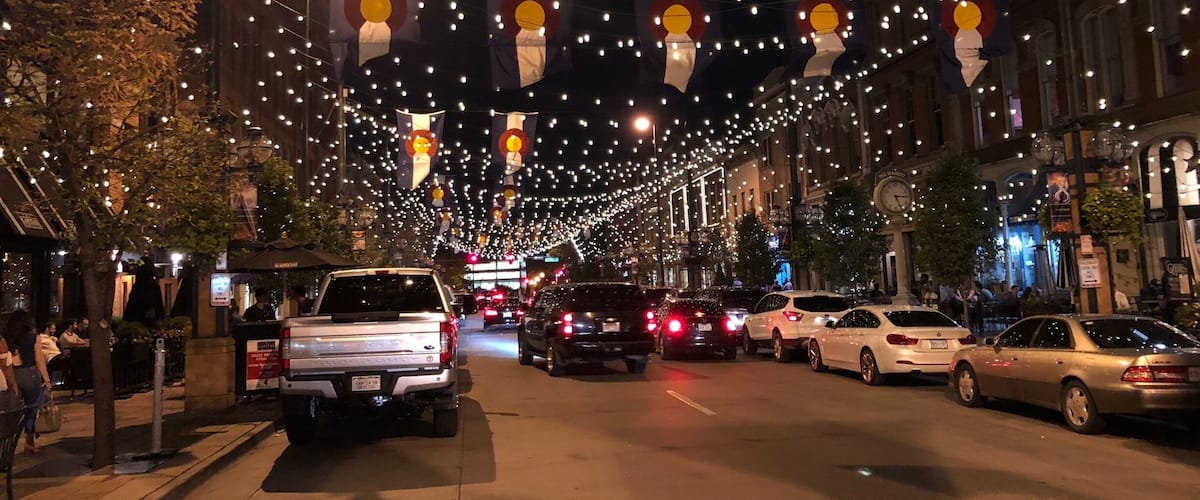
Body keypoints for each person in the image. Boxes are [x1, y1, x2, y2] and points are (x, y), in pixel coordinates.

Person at [4, 310, 52, 453]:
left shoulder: (7, 338)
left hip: (12, 374)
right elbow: (39, 359)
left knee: (13, 410)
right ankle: (29, 442)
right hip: (29, 374)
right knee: (32, 408)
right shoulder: (33, 338)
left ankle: (9, 443)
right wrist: (47, 379)